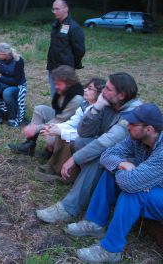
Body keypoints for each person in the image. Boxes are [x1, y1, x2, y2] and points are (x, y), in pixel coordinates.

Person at [36, 72, 142, 224]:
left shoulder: (132, 114)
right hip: (112, 152)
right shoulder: (109, 103)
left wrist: (74, 159)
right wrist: (97, 107)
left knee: (99, 157)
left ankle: (69, 207)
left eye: (108, 89)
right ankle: (88, 183)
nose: (103, 92)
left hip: (134, 162)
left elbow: (105, 142)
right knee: (82, 141)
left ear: (121, 95)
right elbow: (83, 132)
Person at [66, 103, 163, 263]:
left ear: (149, 129)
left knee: (133, 193)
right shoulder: (136, 138)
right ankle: (95, 223)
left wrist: (129, 174)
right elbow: (107, 155)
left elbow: (129, 184)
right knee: (111, 173)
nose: (128, 126)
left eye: (133, 123)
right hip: (149, 185)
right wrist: (121, 165)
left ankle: (111, 250)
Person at [35, 78, 106, 183]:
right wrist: (56, 127)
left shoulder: (99, 110)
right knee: (61, 134)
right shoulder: (85, 104)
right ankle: (54, 167)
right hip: (81, 135)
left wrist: (61, 132)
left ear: (100, 93)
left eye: (90, 89)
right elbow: (72, 122)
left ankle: (68, 176)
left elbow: (86, 135)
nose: (85, 90)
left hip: (92, 142)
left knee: (68, 140)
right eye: (86, 87)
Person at [8, 65, 84, 157]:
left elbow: (60, 121)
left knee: (50, 138)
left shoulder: (76, 99)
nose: (56, 86)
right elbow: (57, 112)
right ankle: (29, 145)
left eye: (59, 84)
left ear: (69, 83)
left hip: (70, 127)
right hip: (61, 118)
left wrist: (35, 129)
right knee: (40, 109)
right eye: (55, 83)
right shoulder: (65, 89)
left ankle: (51, 153)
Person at [47, 0, 85, 97]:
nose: (55, 12)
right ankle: (57, 112)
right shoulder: (56, 25)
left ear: (66, 9)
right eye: (53, 9)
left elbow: (79, 50)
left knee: (66, 97)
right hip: (52, 68)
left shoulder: (74, 27)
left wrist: (71, 65)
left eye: (57, 9)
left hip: (65, 70)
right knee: (54, 96)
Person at [0, 42, 26, 126]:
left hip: (17, 86)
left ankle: (12, 117)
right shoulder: (0, 59)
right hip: (4, 83)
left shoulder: (18, 61)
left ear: (5, 54)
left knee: (7, 93)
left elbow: (16, 81)